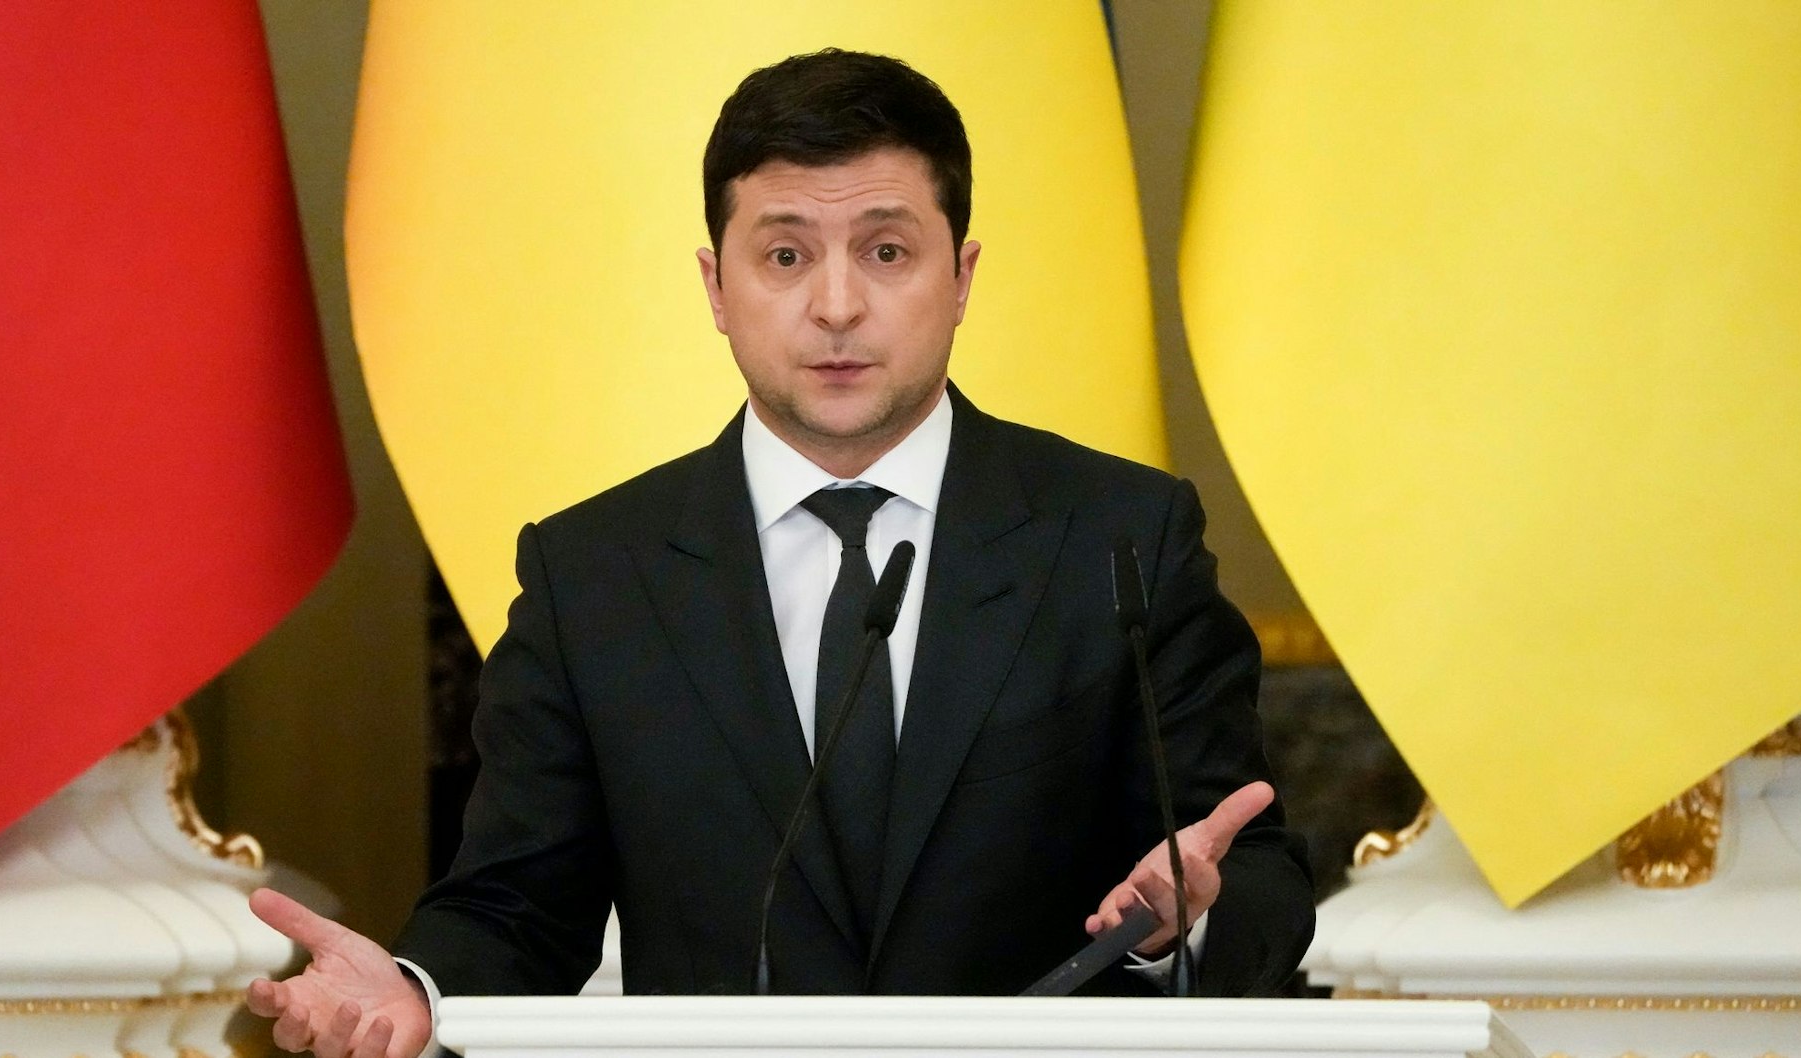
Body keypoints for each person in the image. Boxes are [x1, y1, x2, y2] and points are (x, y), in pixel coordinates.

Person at [245, 48, 1314, 1058]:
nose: (836, 306)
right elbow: (518, 906)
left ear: (960, 275)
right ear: (717, 287)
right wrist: (418, 988)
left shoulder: (1119, 537)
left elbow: (1252, 868)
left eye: (886, 252)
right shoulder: (596, 575)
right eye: (786, 255)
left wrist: (1180, 924)